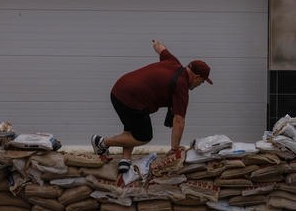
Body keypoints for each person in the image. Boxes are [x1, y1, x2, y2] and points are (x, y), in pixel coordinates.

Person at [91, 39, 213, 173]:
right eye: (200, 83)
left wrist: (156, 43)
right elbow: (179, 120)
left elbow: (161, 49)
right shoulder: (181, 85)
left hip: (120, 88)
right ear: (196, 77)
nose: (198, 86)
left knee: (132, 127)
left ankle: (125, 159)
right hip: (129, 98)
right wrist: (175, 148)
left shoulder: (173, 61)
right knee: (143, 136)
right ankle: (102, 142)